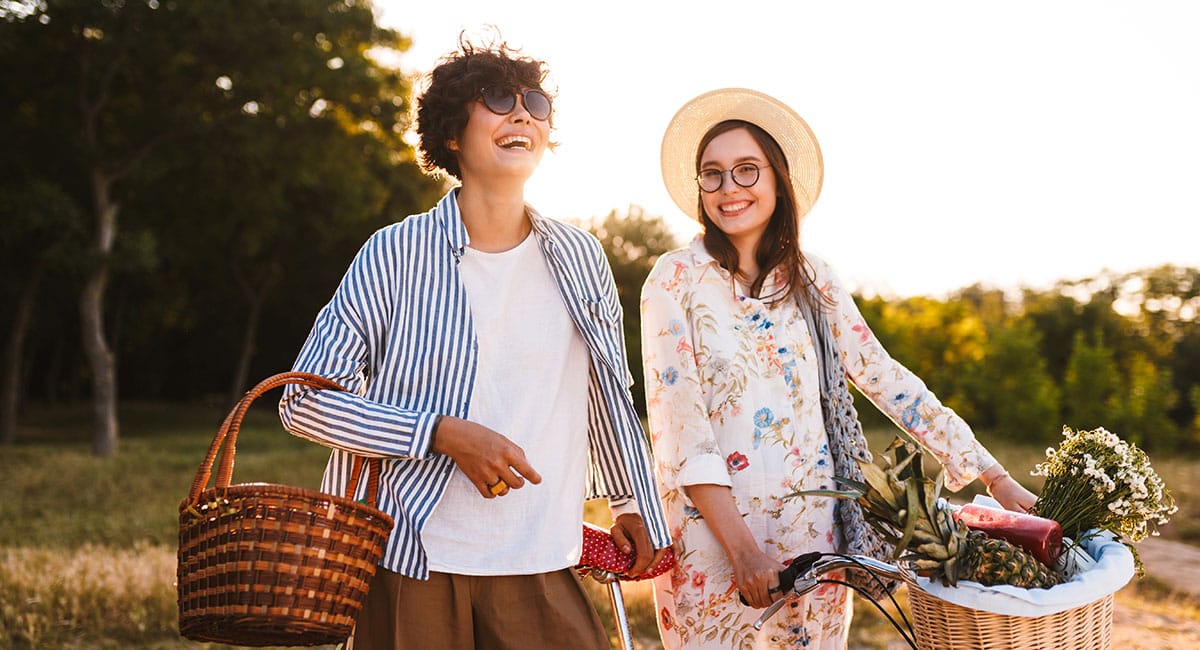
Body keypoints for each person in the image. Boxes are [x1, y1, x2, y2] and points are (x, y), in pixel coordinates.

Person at [278, 36, 671, 650]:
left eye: (535, 103)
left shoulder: (581, 256)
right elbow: (302, 401)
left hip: (544, 552)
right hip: (413, 554)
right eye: (497, 100)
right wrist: (442, 433)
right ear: (452, 135)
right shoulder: (393, 253)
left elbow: (606, 393)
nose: (522, 114)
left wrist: (631, 501)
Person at [640, 88, 1037, 649]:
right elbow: (681, 428)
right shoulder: (674, 279)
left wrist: (990, 472)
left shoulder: (814, 279)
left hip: (816, 543)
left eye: (747, 170)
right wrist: (743, 550)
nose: (729, 188)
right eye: (713, 174)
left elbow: (886, 378)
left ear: (779, 180)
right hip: (719, 546)